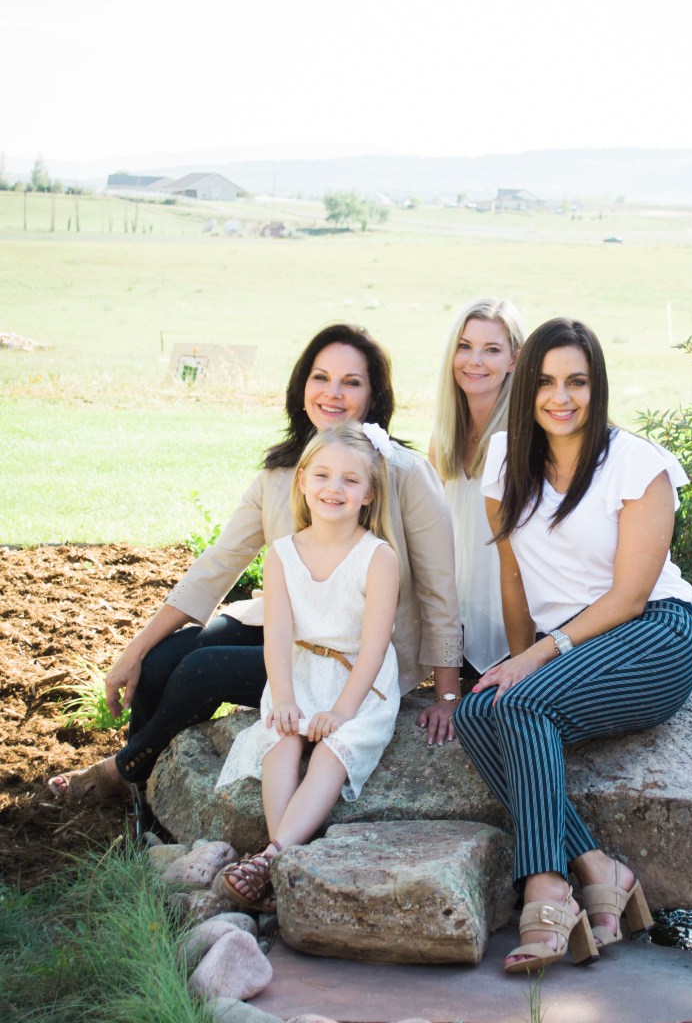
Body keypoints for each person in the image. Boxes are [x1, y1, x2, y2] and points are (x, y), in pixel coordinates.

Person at [48, 323, 462, 807]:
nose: (332, 393)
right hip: (289, 631)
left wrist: (446, 697)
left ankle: (123, 770)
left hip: (353, 658)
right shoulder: (282, 475)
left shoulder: (405, 474)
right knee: (159, 662)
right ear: (302, 386)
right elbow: (218, 564)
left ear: (374, 397)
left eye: (351, 382)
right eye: (321, 377)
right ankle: (144, 795)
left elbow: (439, 589)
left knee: (204, 669)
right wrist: (135, 649)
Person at [452, 317, 692, 975]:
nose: (561, 397)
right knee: (479, 711)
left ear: (598, 387)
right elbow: (512, 578)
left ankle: (546, 887)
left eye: (577, 382)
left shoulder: (637, 465)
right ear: (525, 388)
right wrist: (516, 661)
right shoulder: (505, 459)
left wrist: (534, 660)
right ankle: (597, 865)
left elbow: (629, 597)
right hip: (570, 649)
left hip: (653, 635)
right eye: (545, 382)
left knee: (522, 703)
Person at [215, 423, 400, 910]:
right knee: (281, 739)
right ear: (302, 481)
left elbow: (375, 647)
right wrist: (284, 698)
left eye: (350, 480)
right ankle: (277, 863)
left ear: (368, 494)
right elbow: (276, 633)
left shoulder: (378, 557)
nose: (333, 488)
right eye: (322, 475)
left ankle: (270, 857)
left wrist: (341, 712)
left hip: (360, 684)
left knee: (331, 753)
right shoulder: (282, 554)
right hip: (298, 673)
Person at [429, 298, 525, 678]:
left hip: (516, 623)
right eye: (465, 346)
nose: (475, 361)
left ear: (514, 360)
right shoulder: (444, 438)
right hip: (460, 618)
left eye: (492, 350)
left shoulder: (523, 437)